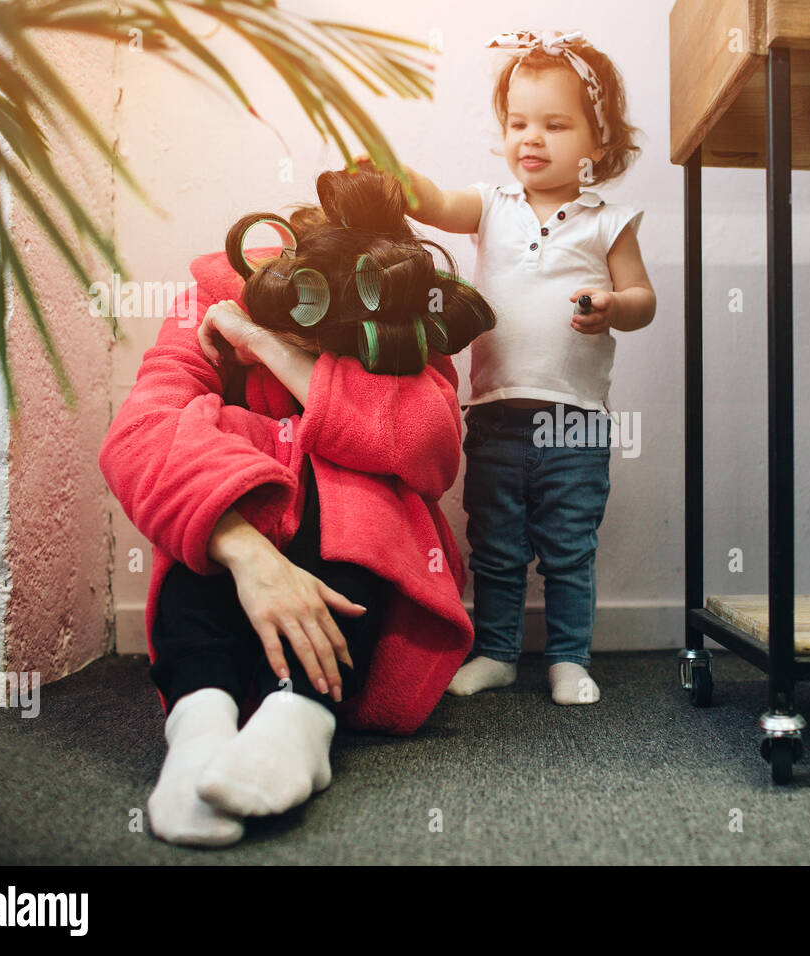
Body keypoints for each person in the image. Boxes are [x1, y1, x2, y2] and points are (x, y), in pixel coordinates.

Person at [99, 164, 494, 846]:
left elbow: (428, 446)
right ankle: (200, 721)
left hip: (358, 582)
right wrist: (247, 553)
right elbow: (140, 433)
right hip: (229, 573)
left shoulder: (402, 316)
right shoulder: (216, 295)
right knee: (207, 449)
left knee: (366, 472)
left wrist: (269, 349)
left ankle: (301, 722)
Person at [389, 29, 655, 705]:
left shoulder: (607, 221)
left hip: (576, 421)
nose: (530, 138)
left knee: (568, 549)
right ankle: (497, 651)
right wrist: (399, 177)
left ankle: (568, 657)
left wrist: (611, 304)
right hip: (497, 418)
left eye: (555, 124)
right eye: (518, 123)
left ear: (598, 142)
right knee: (497, 547)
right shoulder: (492, 205)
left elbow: (644, 300)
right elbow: (436, 204)